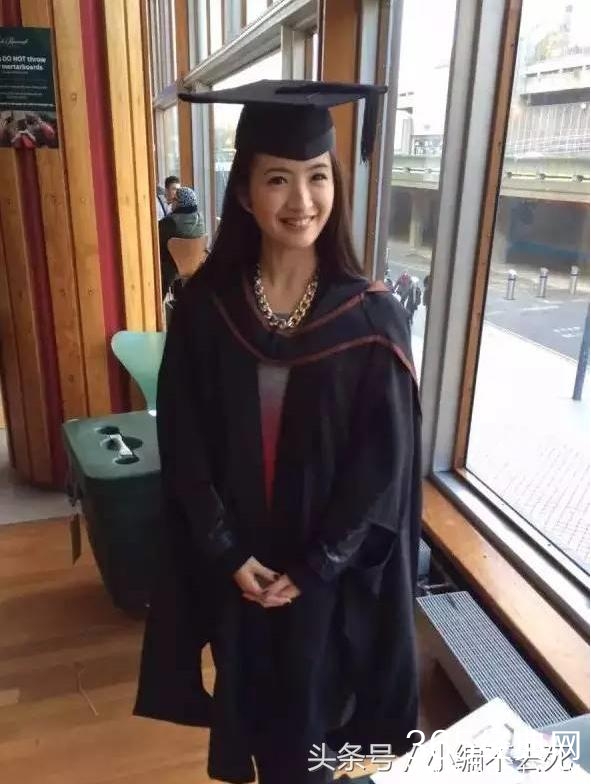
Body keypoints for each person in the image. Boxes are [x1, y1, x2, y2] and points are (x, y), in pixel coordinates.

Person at [135, 80, 422, 784]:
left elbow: (381, 471)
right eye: (277, 179)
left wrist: (316, 567)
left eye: (317, 177)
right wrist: (227, 551)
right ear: (243, 193)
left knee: (312, 744)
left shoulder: (370, 320)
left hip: (324, 582)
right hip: (238, 573)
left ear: (336, 185)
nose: (301, 200)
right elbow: (184, 443)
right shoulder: (206, 311)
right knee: (256, 723)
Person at [158, 185, 205, 299]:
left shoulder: (170, 222)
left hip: (172, 270)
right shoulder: (200, 219)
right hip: (194, 267)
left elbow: (156, 238)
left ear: (180, 203)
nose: (172, 202)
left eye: (175, 199)